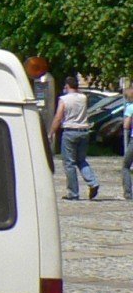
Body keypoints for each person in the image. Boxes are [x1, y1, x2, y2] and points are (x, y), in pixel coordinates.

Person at [50, 72, 99, 201]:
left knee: (69, 163)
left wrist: (52, 132)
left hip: (70, 131)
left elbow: (58, 117)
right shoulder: (83, 98)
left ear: (67, 86)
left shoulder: (64, 99)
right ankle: (93, 182)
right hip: (83, 131)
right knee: (81, 160)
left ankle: (73, 192)